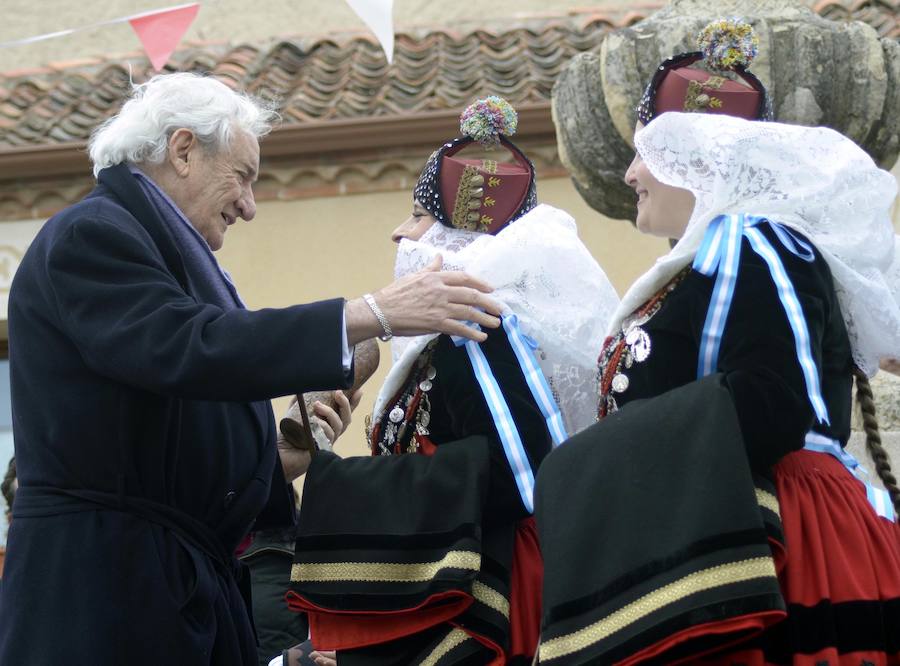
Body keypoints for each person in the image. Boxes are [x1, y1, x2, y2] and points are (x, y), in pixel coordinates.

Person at [0, 73, 506, 666]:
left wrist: (269, 461)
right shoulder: (93, 234)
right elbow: (188, 346)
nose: (249, 205)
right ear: (183, 150)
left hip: (171, 583)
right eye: (242, 176)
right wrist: (371, 314)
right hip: (105, 592)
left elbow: (167, 426)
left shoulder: (161, 246)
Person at [535, 20, 900, 665]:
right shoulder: (712, 257)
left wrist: (593, 464)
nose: (629, 174)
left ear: (695, 155)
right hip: (723, 525)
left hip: (774, 538)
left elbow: (771, 403)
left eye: (645, 152)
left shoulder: (746, 241)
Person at [285, 97, 618, 664]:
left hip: (494, 596)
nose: (398, 233)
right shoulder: (454, 335)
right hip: (461, 582)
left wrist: (346, 482)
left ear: (456, 237)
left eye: (417, 215)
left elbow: (524, 477)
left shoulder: (474, 330)